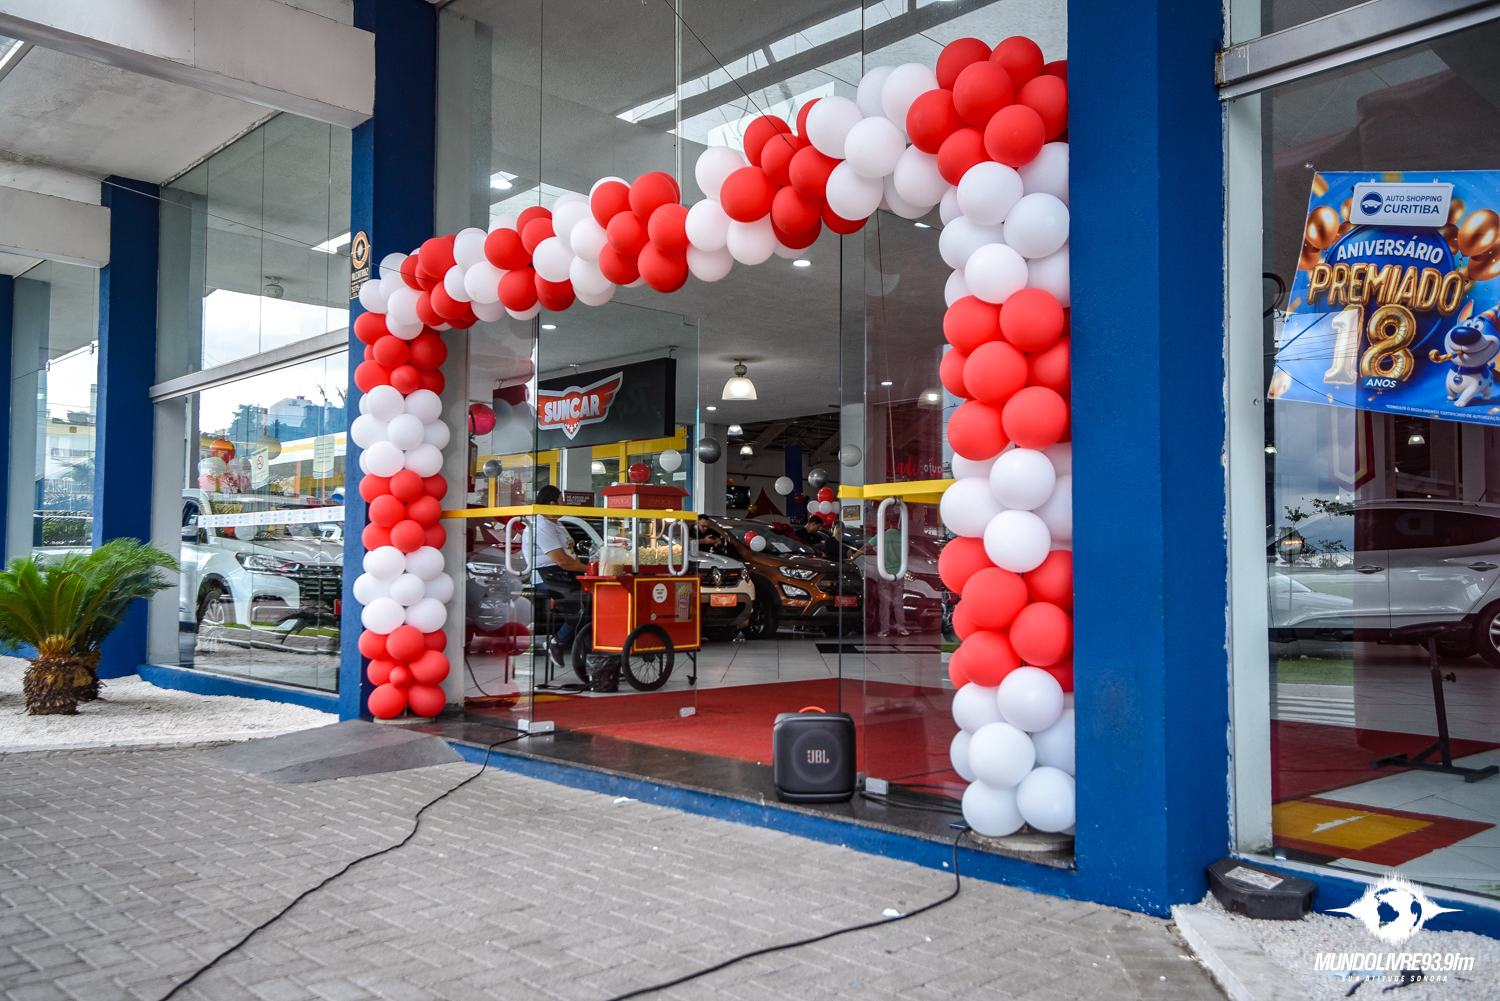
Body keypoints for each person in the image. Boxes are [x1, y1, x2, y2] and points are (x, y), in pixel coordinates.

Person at [532, 485, 588, 667]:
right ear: (552, 503)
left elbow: (570, 552)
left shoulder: (557, 523)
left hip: (565, 575)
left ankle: (594, 660)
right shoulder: (542, 526)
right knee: (584, 609)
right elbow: (562, 560)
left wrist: (582, 569)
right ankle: (557, 641)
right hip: (548, 577)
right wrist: (586, 569)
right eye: (561, 500)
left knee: (594, 607)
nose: (564, 504)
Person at [862, 523, 908, 637]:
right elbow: (906, 554)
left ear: (890, 523)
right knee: (898, 603)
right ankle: (901, 628)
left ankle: (885, 630)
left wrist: (854, 555)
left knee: (884, 603)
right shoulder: (903, 537)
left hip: (884, 573)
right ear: (899, 524)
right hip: (898, 573)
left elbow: (867, 546)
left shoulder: (882, 535)